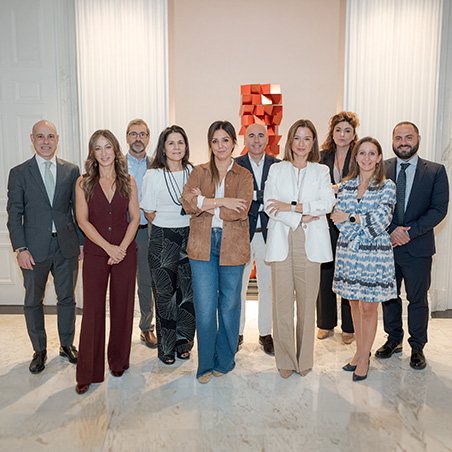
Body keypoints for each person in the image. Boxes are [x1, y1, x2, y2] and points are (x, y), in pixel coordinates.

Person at [6, 120, 82, 374]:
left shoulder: (71, 171)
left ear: (57, 139)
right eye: (41, 136)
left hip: (66, 246)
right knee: (33, 301)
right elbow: (14, 214)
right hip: (33, 250)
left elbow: (77, 211)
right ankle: (39, 350)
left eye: (50, 136)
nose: (46, 141)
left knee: (67, 298)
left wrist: (81, 243)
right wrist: (20, 248)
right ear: (33, 139)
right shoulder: (19, 173)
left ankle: (67, 345)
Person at [181, 120, 253, 384]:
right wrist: (223, 201)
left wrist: (205, 203)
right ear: (209, 144)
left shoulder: (244, 175)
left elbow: (241, 210)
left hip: (233, 246)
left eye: (225, 140)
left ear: (234, 143)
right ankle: (205, 364)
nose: (220, 146)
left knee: (230, 306)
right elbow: (187, 202)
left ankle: (225, 360)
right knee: (205, 307)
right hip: (202, 245)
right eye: (215, 141)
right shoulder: (199, 171)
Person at [264, 119, 335, 379]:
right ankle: (285, 359)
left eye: (307, 138)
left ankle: (304, 358)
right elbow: (270, 205)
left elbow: (327, 203)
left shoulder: (321, 171)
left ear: (313, 142)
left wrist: (293, 207)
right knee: (282, 304)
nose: (301, 143)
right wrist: (300, 216)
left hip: (311, 242)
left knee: (307, 305)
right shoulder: (277, 169)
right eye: (297, 138)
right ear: (290, 141)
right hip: (283, 239)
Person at [375, 122, 449, 370]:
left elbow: (439, 209)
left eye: (408, 137)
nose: (403, 142)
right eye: (398, 138)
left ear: (418, 139)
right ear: (392, 141)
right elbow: (373, 205)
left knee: (417, 299)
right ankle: (393, 340)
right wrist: (391, 230)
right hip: (386, 246)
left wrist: (408, 233)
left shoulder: (436, 171)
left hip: (418, 248)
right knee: (389, 297)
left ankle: (417, 346)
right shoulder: (381, 168)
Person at [75, 129, 140, 394]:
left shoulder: (129, 181)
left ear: (115, 150)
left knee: (123, 306)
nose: (103, 153)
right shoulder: (83, 183)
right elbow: (83, 221)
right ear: (93, 153)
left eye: (108, 147)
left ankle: (118, 361)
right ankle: (88, 371)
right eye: (98, 148)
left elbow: (135, 218)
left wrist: (121, 249)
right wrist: (108, 248)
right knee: (92, 310)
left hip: (125, 253)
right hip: (96, 253)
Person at [332, 137, 397, 381]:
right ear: (356, 157)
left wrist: (352, 217)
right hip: (349, 252)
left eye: (372, 153)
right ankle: (360, 352)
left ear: (379, 158)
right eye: (362, 153)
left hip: (375, 256)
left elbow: (382, 220)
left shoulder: (387, 186)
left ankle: (364, 358)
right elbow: (337, 218)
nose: (367, 158)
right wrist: (355, 221)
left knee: (369, 308)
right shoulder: (346, 186)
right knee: (353, 304)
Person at [140, 125, 195, 365]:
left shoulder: (193, 171)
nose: (176, 147)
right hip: (162, 238)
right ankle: (166, 348)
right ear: (163, 148)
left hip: (190, 237)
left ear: (186, 146)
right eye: (171, 143)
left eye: (180, 142)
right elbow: (149, 211)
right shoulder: (153, 175)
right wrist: (169, 225)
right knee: (164, 296)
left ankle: (184, 344)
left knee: (187, 294)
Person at [235, 123, 280, 354]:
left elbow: (279, 197)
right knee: (238, 287)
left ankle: (265, 333)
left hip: (269, 235)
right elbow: (236, 197)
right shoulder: (235, 164)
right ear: (245, 140)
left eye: (260, 135)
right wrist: (262, 197)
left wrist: (254, 196)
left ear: (267, 139)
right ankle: (237, 333)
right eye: (251, 135)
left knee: (267, 286)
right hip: (242, 234)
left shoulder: (278, 166)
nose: (256, 140)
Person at [317, 112, 359, 344]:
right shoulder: (322, 156)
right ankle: (325, 323)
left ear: (353, 134)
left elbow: (364, 184)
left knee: (348, 272)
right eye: (338, 130)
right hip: (325, 221)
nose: (342, 134)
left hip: (350, 222)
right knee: (325, 271)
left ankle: (349, 326)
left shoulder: (360, 156)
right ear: (332, 133)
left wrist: (339, 188)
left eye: (347, 130)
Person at [125, 119, 157, 349]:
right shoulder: (114, 165)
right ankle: (122, 330)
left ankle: (146, 328)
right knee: (122, 284)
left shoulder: (157, 166)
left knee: (146, 283)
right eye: (134, 134)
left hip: (147, 233)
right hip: (121, 234)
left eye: (142, 134)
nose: (138, 138)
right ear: (127, 137)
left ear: (148, 138)